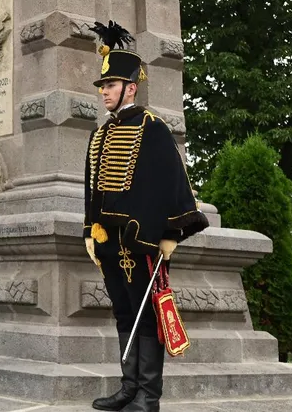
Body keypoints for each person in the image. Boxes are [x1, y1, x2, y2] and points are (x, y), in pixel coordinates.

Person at [82, 22, 209, 412]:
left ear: (130, 87)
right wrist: (90, 230)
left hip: (142, 240)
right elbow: (92, 187)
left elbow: (172, 181)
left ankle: (148, 397)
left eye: (110, 86)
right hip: (109, 242)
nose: (104, 92)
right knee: (124, 312)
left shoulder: (151, 128)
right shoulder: (100, 133)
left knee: (146, 314)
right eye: (102, 87)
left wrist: (172, 232)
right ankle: (128, 388)